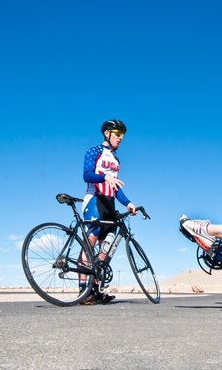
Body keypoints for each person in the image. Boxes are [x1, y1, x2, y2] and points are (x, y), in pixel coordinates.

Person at [80, 119, 138, 304]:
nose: (120, 138)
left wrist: (128, 203)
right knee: (91, 240)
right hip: (94, 200)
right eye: (117, 134)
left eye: (123, 135)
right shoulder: (94, 151)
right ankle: (83, 291)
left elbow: (115, 187)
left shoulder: (116, 160)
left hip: (110, 203)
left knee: (105, 248)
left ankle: (96, 290)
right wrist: (105, 176)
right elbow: (87, 175)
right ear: (107, 133)